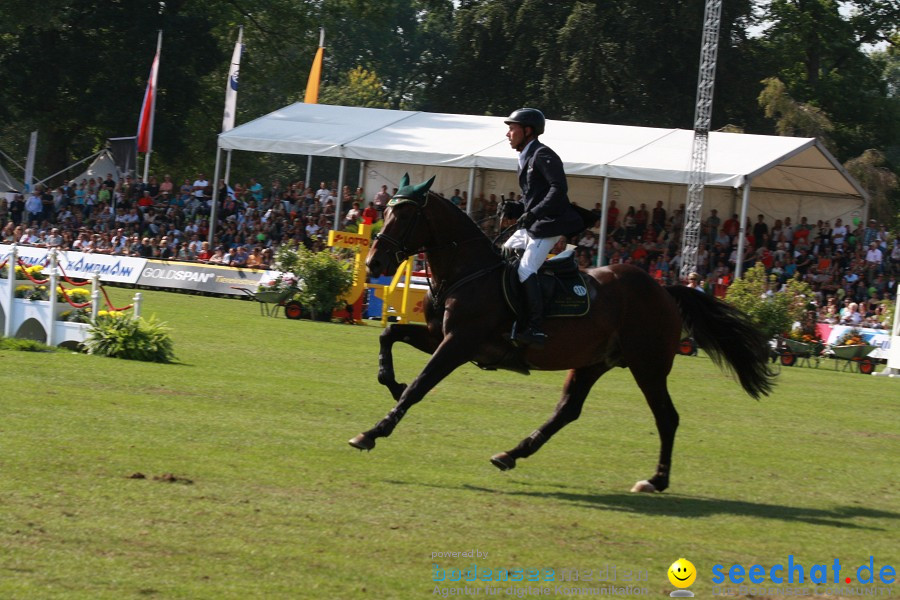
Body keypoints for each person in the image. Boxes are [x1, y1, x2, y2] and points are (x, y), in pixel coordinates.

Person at [501, 107, 583, 348]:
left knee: (525, 270)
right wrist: (515, 208)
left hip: (549, 224)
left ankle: (535, 327)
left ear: (527, 131)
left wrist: (533, 213)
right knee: (502, 255)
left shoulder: (543, 154)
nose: (508, 134)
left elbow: (558, 190)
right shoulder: (526, 155)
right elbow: (533, 198)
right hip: (534, 223)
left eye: (512, 129)